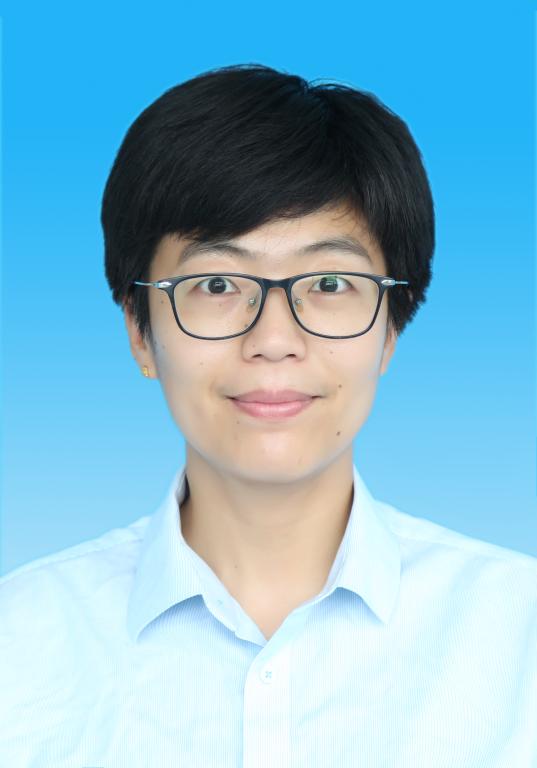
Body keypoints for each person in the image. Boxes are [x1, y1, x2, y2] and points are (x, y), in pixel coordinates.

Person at [1, 63, 535, 767]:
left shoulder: (519, 635)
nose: (274, 340)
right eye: (217, 283)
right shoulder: (19, 644)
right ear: (139, 331)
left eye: (330, 282)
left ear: (390, 329)